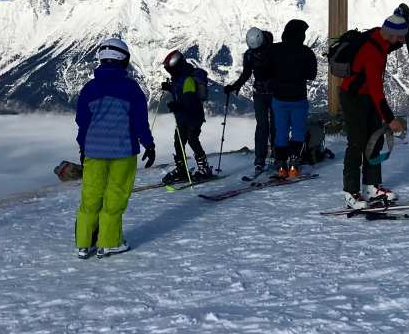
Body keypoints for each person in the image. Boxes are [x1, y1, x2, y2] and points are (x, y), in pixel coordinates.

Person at [74, 37, 156, 259]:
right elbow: (140, 121)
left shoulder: (89, 88)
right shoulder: (131, 88)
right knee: (115, 196)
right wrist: (148, 144)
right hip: (123, 152)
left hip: (93, 152)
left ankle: (83, 243)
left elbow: (82, 122)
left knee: (90, 196)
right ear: (124, 59)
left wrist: (83, 147)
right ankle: (109, 243)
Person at [339, 14, 408, 209]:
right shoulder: (372, 52)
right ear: (392, 34)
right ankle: (350, 191)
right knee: (357, 144)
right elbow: (377, 92)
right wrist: (390, 119)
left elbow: (392, 42)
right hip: (354, 98)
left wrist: (406, 32)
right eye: (401, 37)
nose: (402, 41)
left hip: (366, 96)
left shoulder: (381, 36)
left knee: (375, 140)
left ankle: (371, 186)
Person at [268, 19, 318, 178]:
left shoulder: (274, 49)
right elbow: (312, 75)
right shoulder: (306, 52)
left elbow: (264, 71)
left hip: (279, 98)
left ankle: (281, 164)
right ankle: (294, 163)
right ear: (300, 35)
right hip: (298, 98)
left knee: (281, 132)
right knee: (298, 132)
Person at [224, 27, 276, 175]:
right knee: (266, 126)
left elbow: (247, 74)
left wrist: (236, 85)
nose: (256, 51)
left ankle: (269, 157)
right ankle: (265, 158)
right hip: (266, 93)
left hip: (268, 93)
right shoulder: (251, 54)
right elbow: (247, 73)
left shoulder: (269, 52)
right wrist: (235, 86)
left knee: (270, 126)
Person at [161, 49, 212, 184]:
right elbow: (179, 91)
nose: (170, 72)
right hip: (182, 116)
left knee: (192, 139)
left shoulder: (188, 79)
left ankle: (203, 168)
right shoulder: (179, 78)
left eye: (171, 69)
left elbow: (189, 100)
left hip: (193, 116)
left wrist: (177, 106)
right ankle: (182, 168)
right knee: (179, 142)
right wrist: (169, 88)